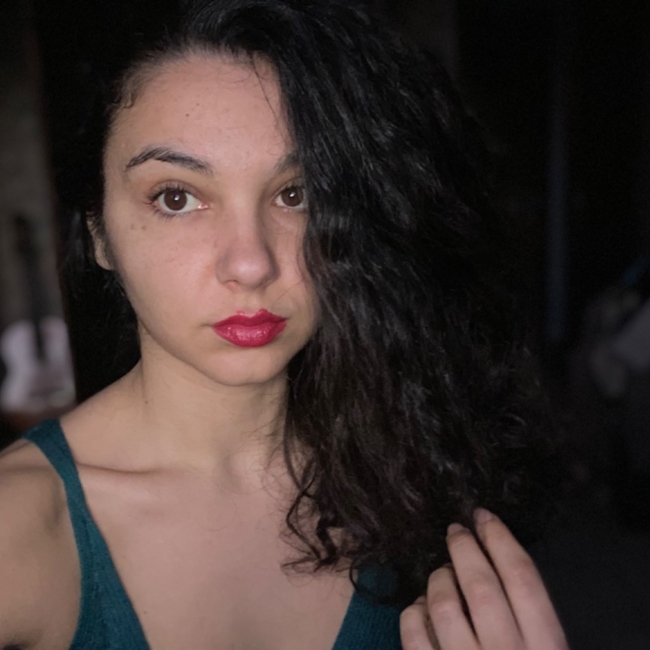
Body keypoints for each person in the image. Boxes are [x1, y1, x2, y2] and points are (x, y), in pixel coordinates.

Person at [0, 0, 569, 648]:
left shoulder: (415, 464)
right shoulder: (19, 528)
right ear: (99, 232)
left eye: (296, 194)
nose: (251, 263)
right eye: (176, 198)